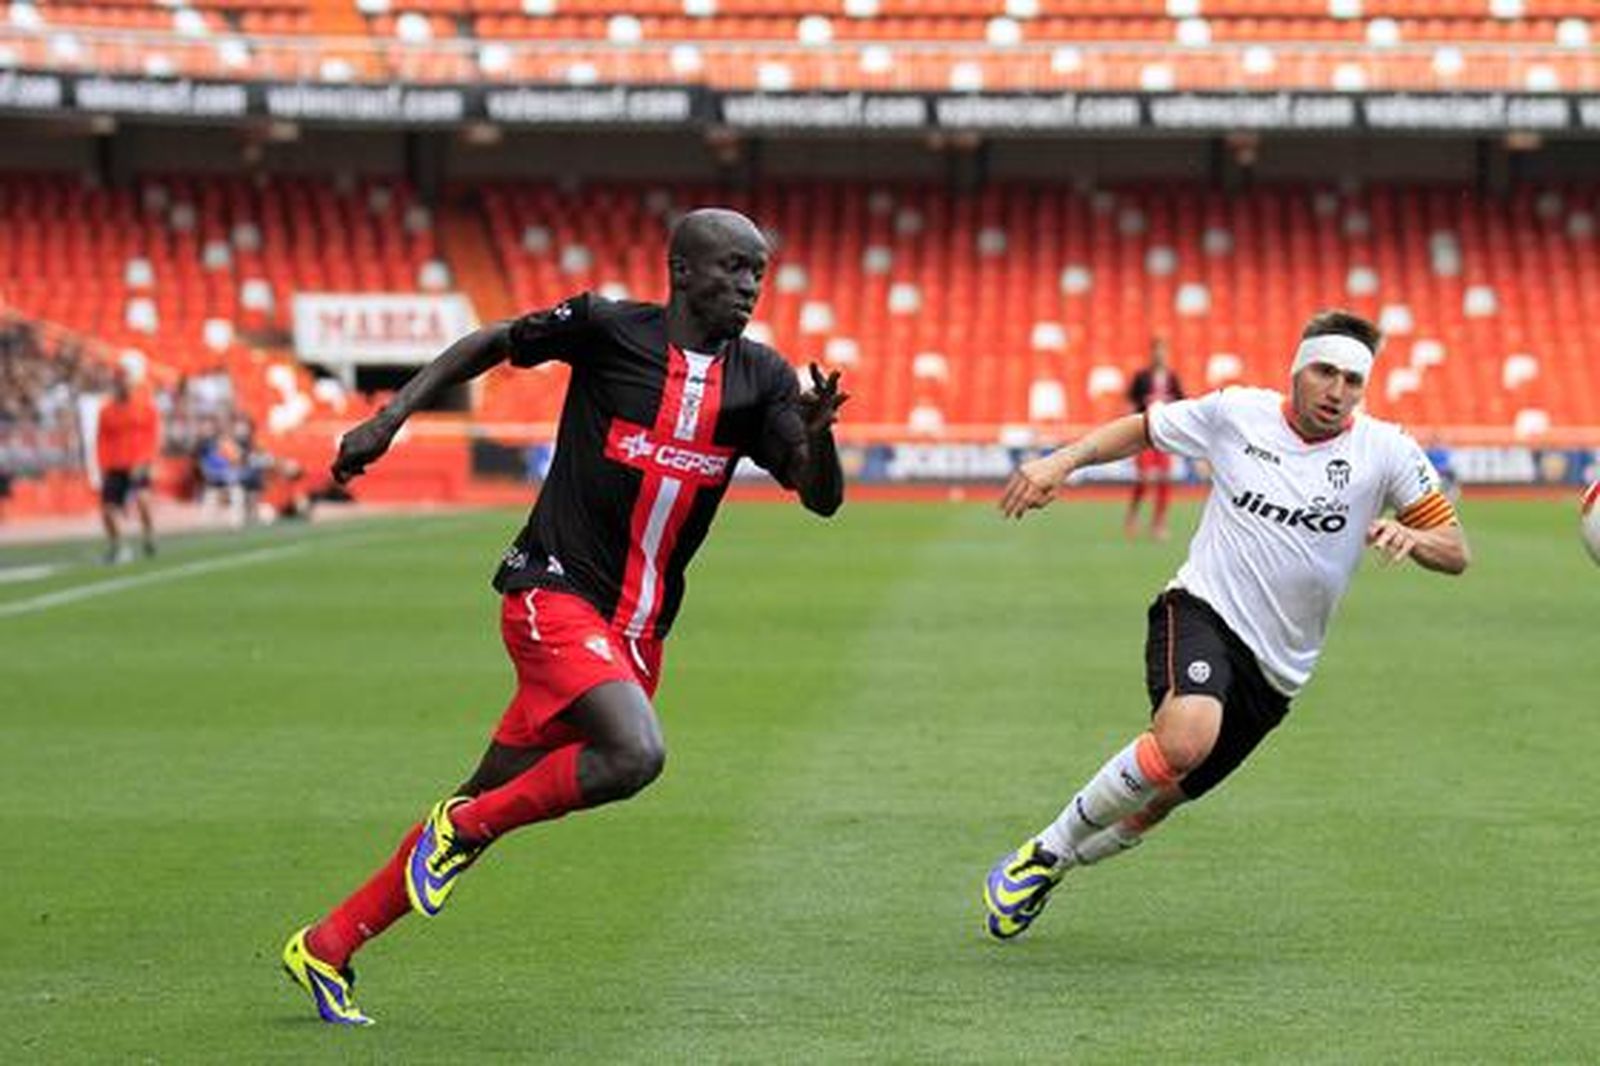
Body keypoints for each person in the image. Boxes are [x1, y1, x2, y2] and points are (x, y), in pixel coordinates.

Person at [282, 208, 848, 1026]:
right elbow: (491, 341)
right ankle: (457, 827)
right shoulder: (608, 329)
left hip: (636, 631)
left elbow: (819, 496)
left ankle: (328, 944)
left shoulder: (761, 377)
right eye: (733, 268)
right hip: (552, 591)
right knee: (634, 753)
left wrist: (821, 438)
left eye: (758, 272)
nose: (749, 286)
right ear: (681, 271)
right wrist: (392, 416)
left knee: (492, 799)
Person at [981, 310, 1469, 940]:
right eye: (1324, 372)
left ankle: (1059, 864)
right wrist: (1061, 463)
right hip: (1204, 608)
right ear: (1298, 368)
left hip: (1279, 672)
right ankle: (1043, 851)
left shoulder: (1388, 451)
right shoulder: (1237, 414)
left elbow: (1455, 549)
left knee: (1160, 801)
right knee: (1185, 740)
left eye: (1352, 380)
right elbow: (1144, 429)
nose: (1336, 391)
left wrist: (1412, 535)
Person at [95, 358, 161, 563]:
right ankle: (117, 545)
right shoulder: (106, 411)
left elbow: (153, 435)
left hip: (139, 463)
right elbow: (102, 440)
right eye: (118, 381)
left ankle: (148, 535)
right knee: (108, 509)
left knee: (143, 500)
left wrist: (147, 461)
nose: (122, 385)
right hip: (115, 464)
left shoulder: (145, 406)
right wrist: (104, 466)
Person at [1124, 336, 1184, 540]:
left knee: (1165, 479)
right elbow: (1131, 404)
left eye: (1163, 351)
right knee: (1145, 478)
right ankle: (1133, 515)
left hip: (1165, 435)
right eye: (1157, 351)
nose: (1160, 355)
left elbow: (1182, 405)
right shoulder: (1141, 377)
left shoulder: (1172, 378)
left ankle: (1159, 524)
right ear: (1152, 353)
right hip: (1144, 433)